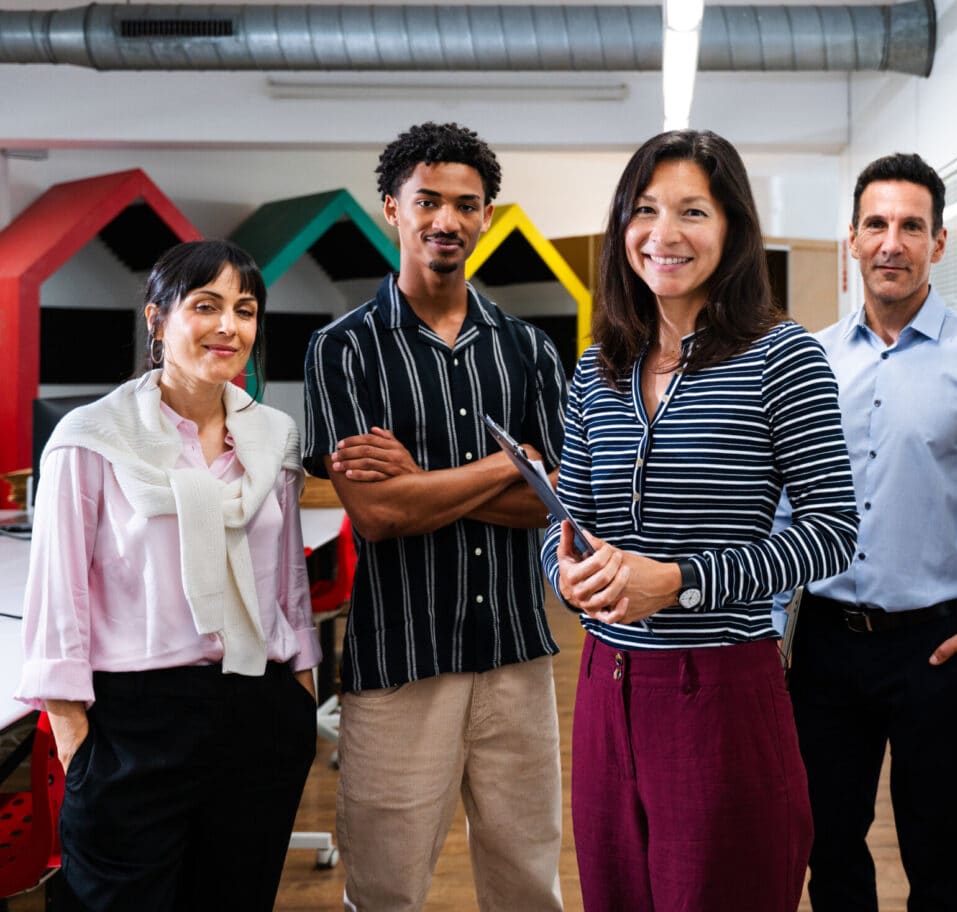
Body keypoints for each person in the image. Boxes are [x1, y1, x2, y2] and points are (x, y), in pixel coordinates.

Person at [543, 129, 859, 912]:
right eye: (644, 211)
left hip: (721, 687)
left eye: (692, 211)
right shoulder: (598, 364)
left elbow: (833, 531)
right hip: (602, 684)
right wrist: (565, 570)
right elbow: (564, 520)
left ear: (732, 230)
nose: (665, 234)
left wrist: (680, 582)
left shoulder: (781, 357)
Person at [302, 121, 567, 912]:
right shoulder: (343, 350)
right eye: (427, 201)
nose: (445, 220)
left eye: (465, 204)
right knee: (384, 888)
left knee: (527, 883)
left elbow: (556, 504)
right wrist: (503, 463)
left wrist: (428, 482)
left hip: (518, 656)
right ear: (392, 208)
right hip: (399, 662)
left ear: (487, 215)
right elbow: (378, 515)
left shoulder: (530, 351)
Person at [16, 239, 320, 911]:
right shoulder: (89, 437)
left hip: (257, 712)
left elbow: (288, 591)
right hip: (134, 721)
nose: (227, 326)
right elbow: (57, 602)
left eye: (244, 310)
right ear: (157, 320)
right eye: (205, 306)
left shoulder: (274, 437)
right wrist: (76, 740)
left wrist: (300, 691)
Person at [779, 152, 957, 911]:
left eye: (910, 226)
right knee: (827, 844)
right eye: (875, 224)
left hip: (933, 646)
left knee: (940, 850)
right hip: (823, 642)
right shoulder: (810, 360)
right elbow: (787, 508)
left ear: (937, 243)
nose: (891, 242)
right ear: (852, 242)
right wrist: (770, 629)